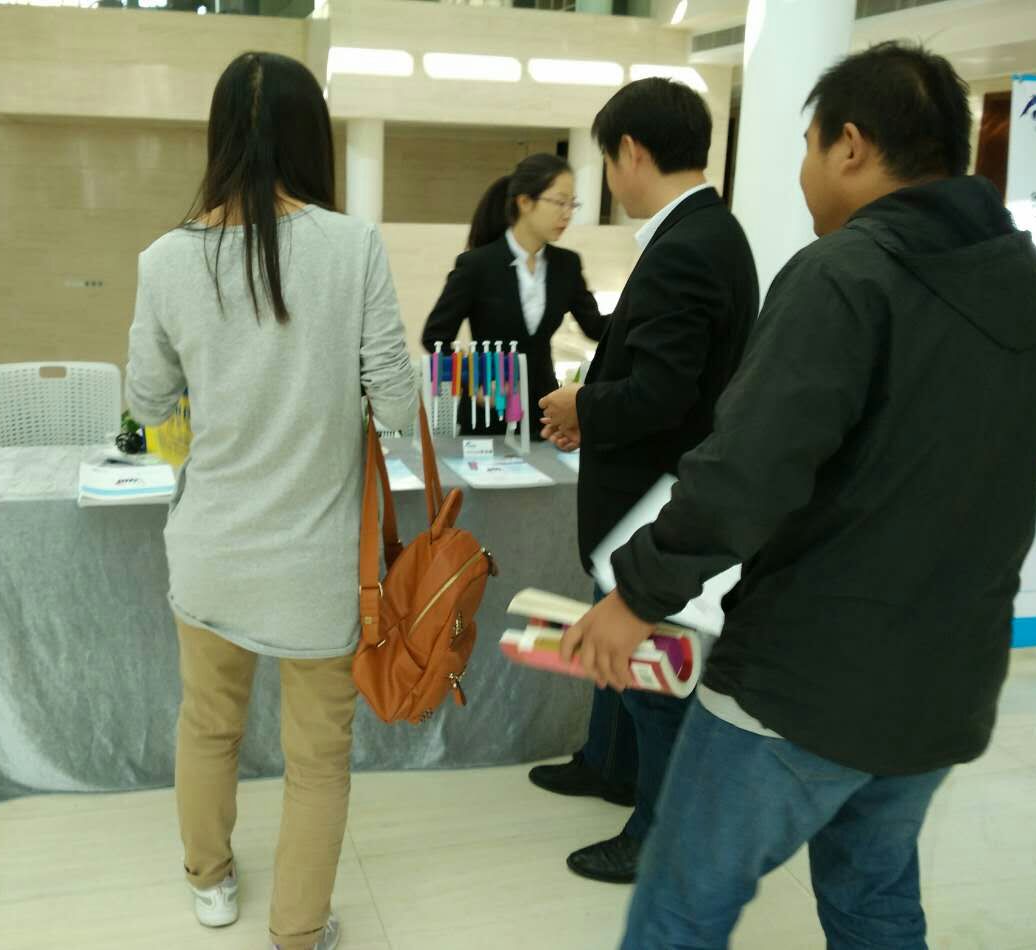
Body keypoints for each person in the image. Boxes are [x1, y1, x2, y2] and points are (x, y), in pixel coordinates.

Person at [564, 42, 1036, 949]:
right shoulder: (1030, 283)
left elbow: (746, 470)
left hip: (805, 682)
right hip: (946, 679)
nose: (802, 169)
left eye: (807, 144)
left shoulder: (846, 273)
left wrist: (637, 594)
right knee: (875, 902)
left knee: (681, 906)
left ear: (851, 146)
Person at [124, 51, 417, 950]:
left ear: (219, 137)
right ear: (310, 138)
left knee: (208, 725)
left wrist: (211, 421)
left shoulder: (164, 260)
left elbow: (147, 400)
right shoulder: (352, 246)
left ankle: (209, 883)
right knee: (317, 758)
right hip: (317, 567)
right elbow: (396, 406)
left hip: (209, 548)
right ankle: (297, 932)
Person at [535, 77, 759, 885]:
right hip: (651, 487)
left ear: (630, 152)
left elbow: (663, 393)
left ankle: (656, 833)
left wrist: (581, 404)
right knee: (615, 648)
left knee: (647, 671)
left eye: (606, 161)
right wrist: (591, 413)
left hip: (653, 501)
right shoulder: (704, 232)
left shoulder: (688, 247)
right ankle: (607, 763)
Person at [421, 154, 608, 436]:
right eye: (559, 202)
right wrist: (473, 378)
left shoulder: (567, 265)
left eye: (572, 204)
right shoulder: (477, 265)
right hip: (487, 414)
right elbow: (435, 337)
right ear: (525, 202)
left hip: (544, 413)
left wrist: (641, 306)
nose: (568, 213)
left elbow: (595, 327)